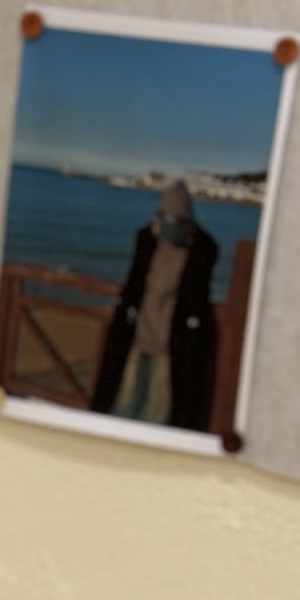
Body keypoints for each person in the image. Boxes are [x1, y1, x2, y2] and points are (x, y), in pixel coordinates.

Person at [91, 179, 218, 431]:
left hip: (173, 339)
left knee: (159, 409)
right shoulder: (146, 239)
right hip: (137, 331)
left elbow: (195, 296)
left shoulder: (202, 249)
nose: (169, 226)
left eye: (176, 221)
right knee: (124, 401)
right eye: (165, 218)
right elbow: (134, 283)